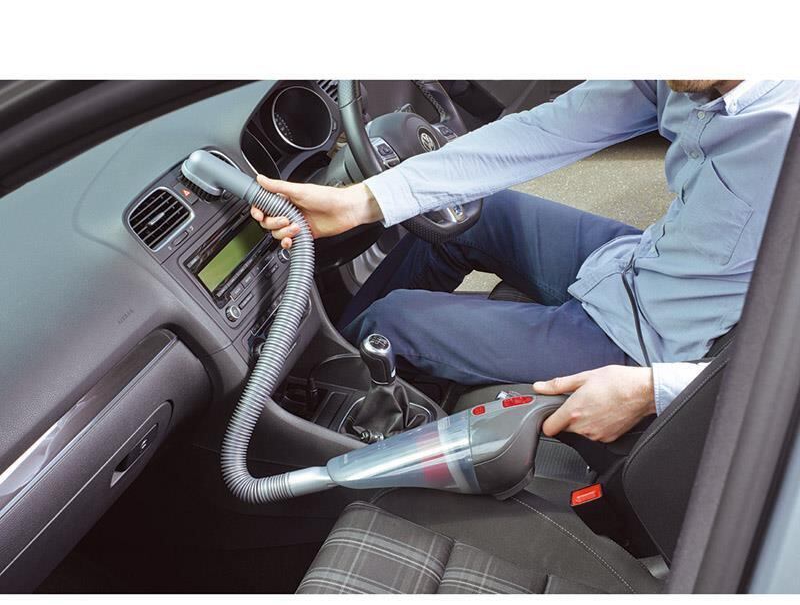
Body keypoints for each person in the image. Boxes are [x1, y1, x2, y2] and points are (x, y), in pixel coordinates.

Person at [251, 80, 800, 442]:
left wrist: (655, 390)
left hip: (651, 343)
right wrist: (366, 200)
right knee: (471, 210)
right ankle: (333, 348)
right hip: (640, 260)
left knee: (388, 323)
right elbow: (552, 128)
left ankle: (297, 402)